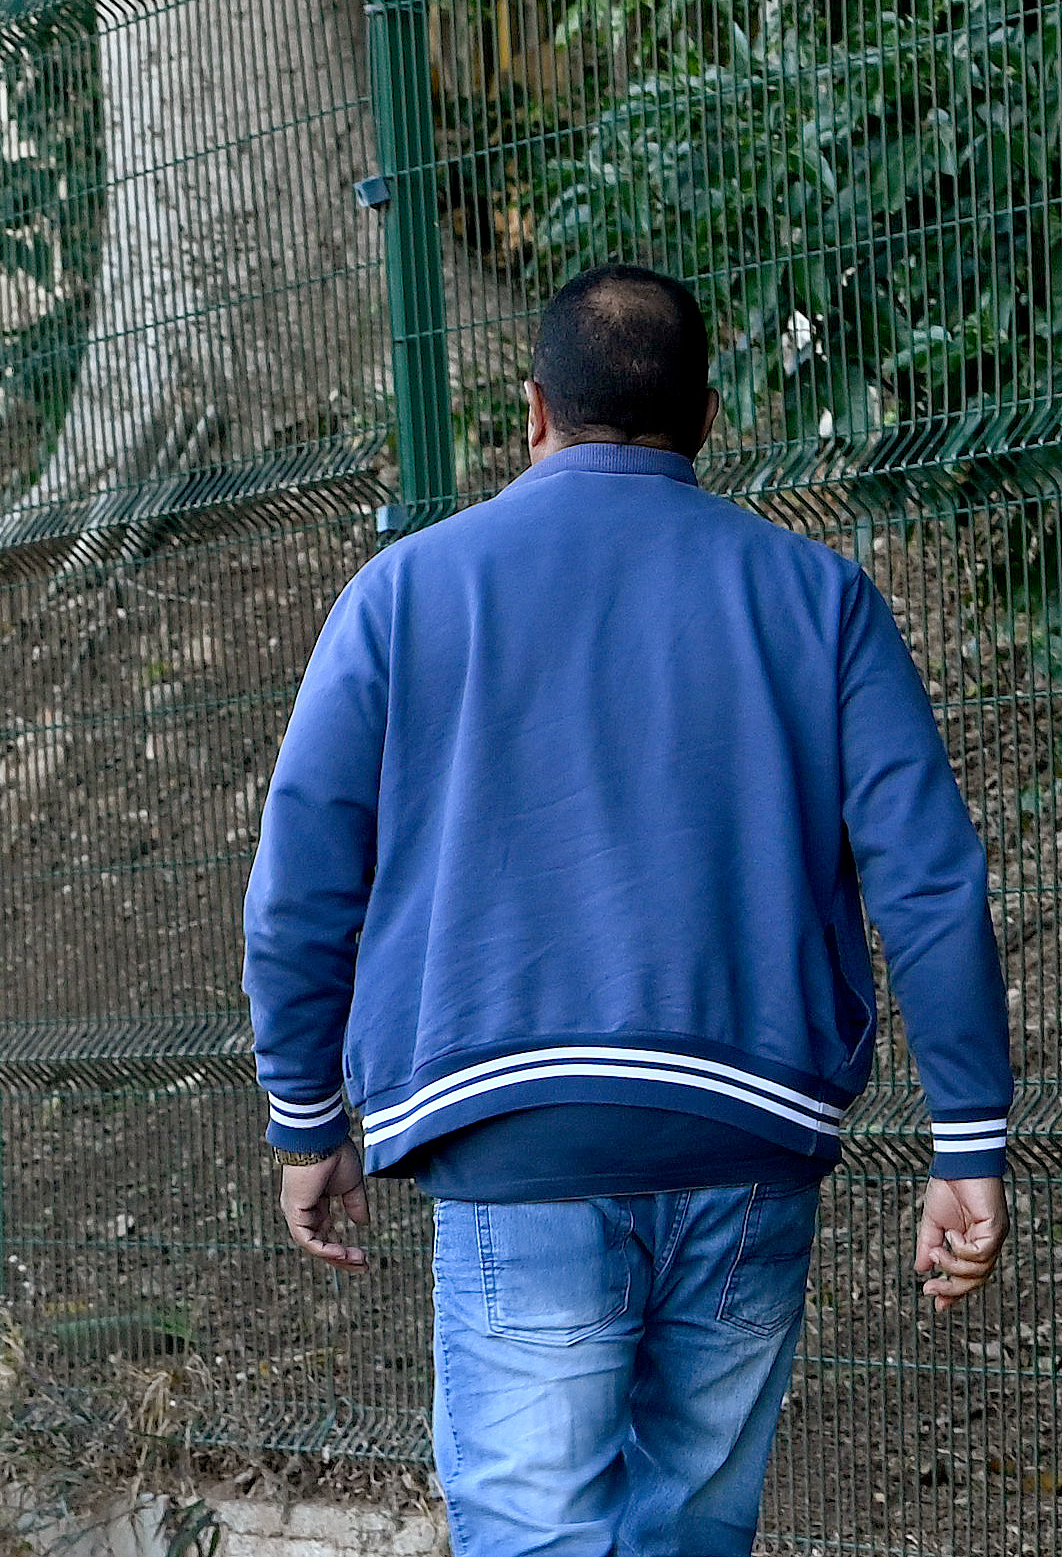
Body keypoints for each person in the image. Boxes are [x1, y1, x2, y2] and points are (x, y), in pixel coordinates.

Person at [242, 264, 1012, 1557]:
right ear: (705, 418)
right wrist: (967, 1142)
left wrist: (305, 1114)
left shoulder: (404, 594)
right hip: (744, 1139)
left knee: (534, 1531)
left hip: (514, 1140)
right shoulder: (816, 598)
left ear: (530, 410)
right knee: (687, 1533)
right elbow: (928, 875)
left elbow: (301, 881)